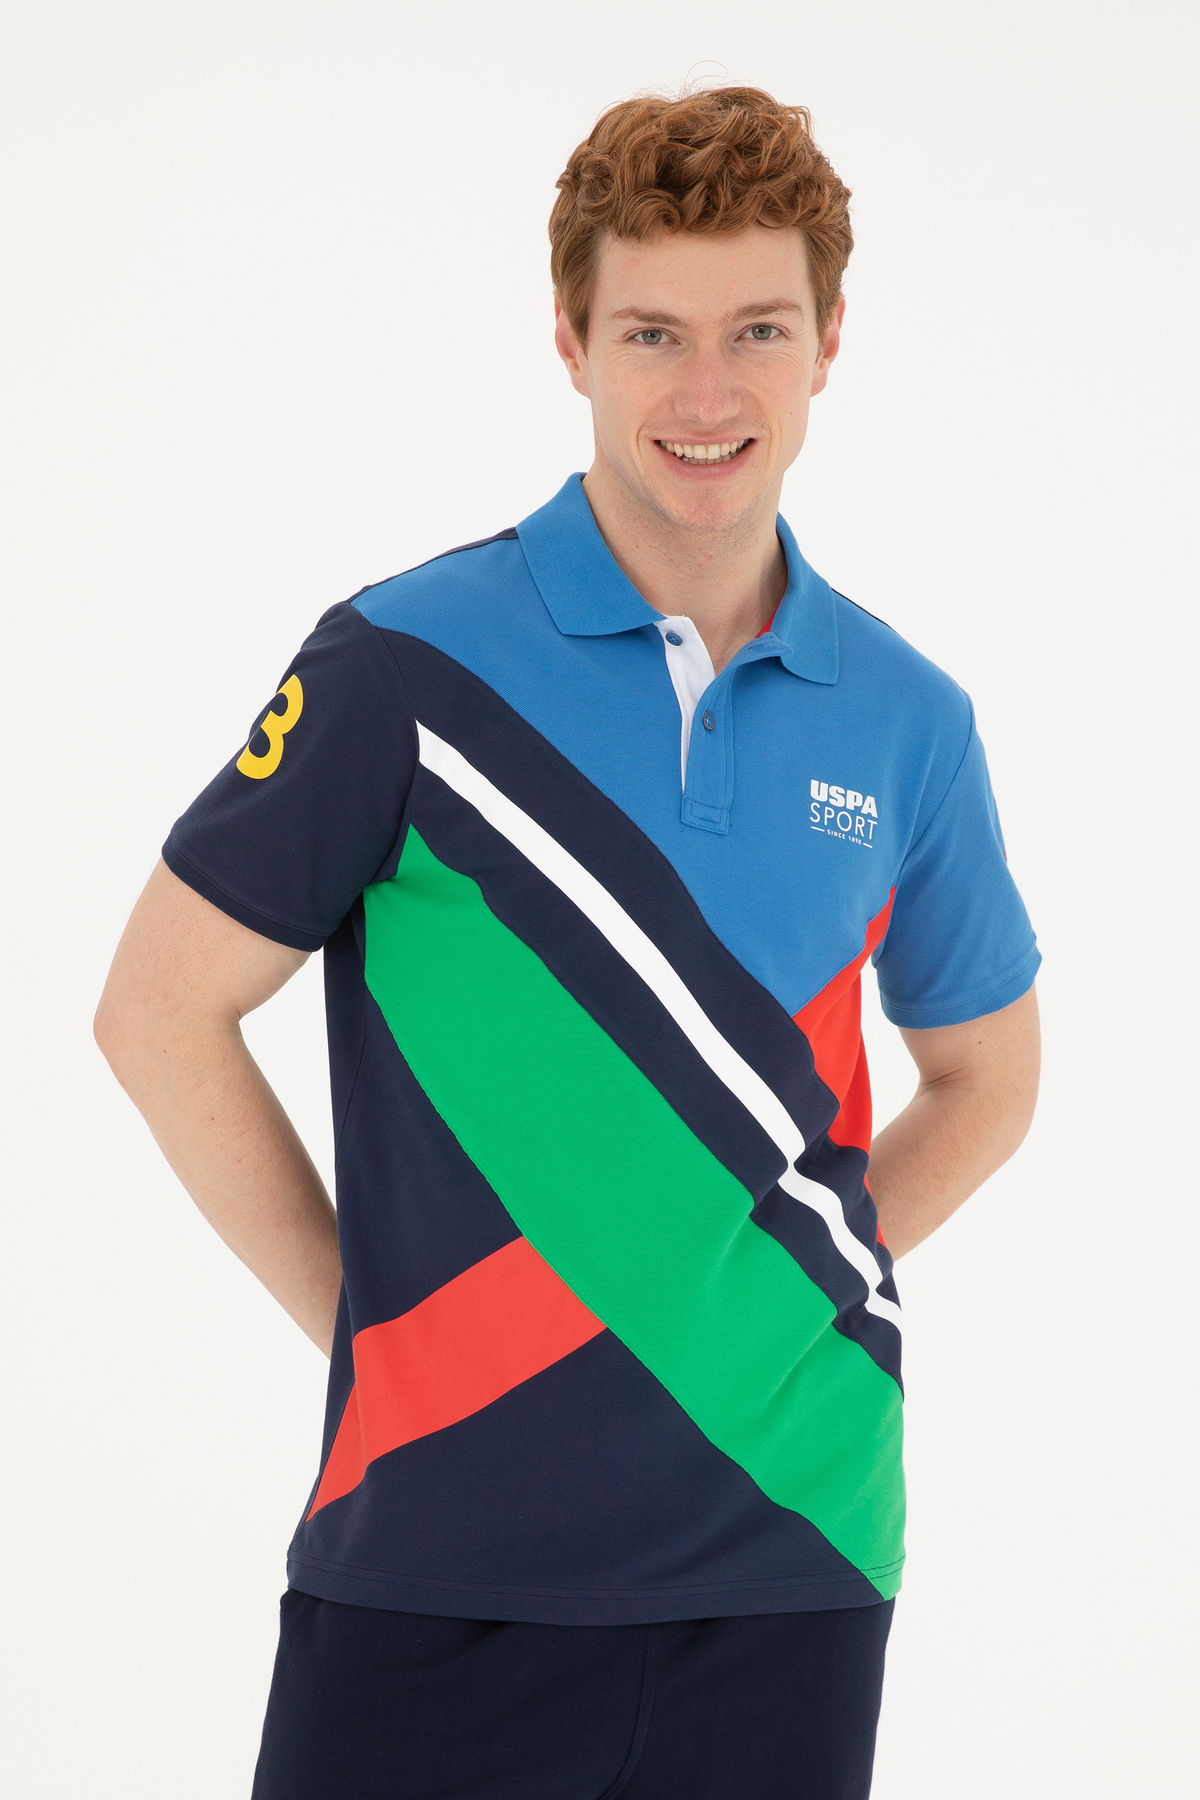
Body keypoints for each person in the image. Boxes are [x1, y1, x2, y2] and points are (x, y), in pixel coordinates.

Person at [95, 86, 1040, 1800]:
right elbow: (158, 1010)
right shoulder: (404, 666)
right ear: (571, 342)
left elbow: (989, 1073)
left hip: (793, 1553)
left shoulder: (910, 717)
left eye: (759, 330)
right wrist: (370, 1323)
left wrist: (774, 1289)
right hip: (433, 1555)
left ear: (830, 343)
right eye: (652, 332)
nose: (707, 392)